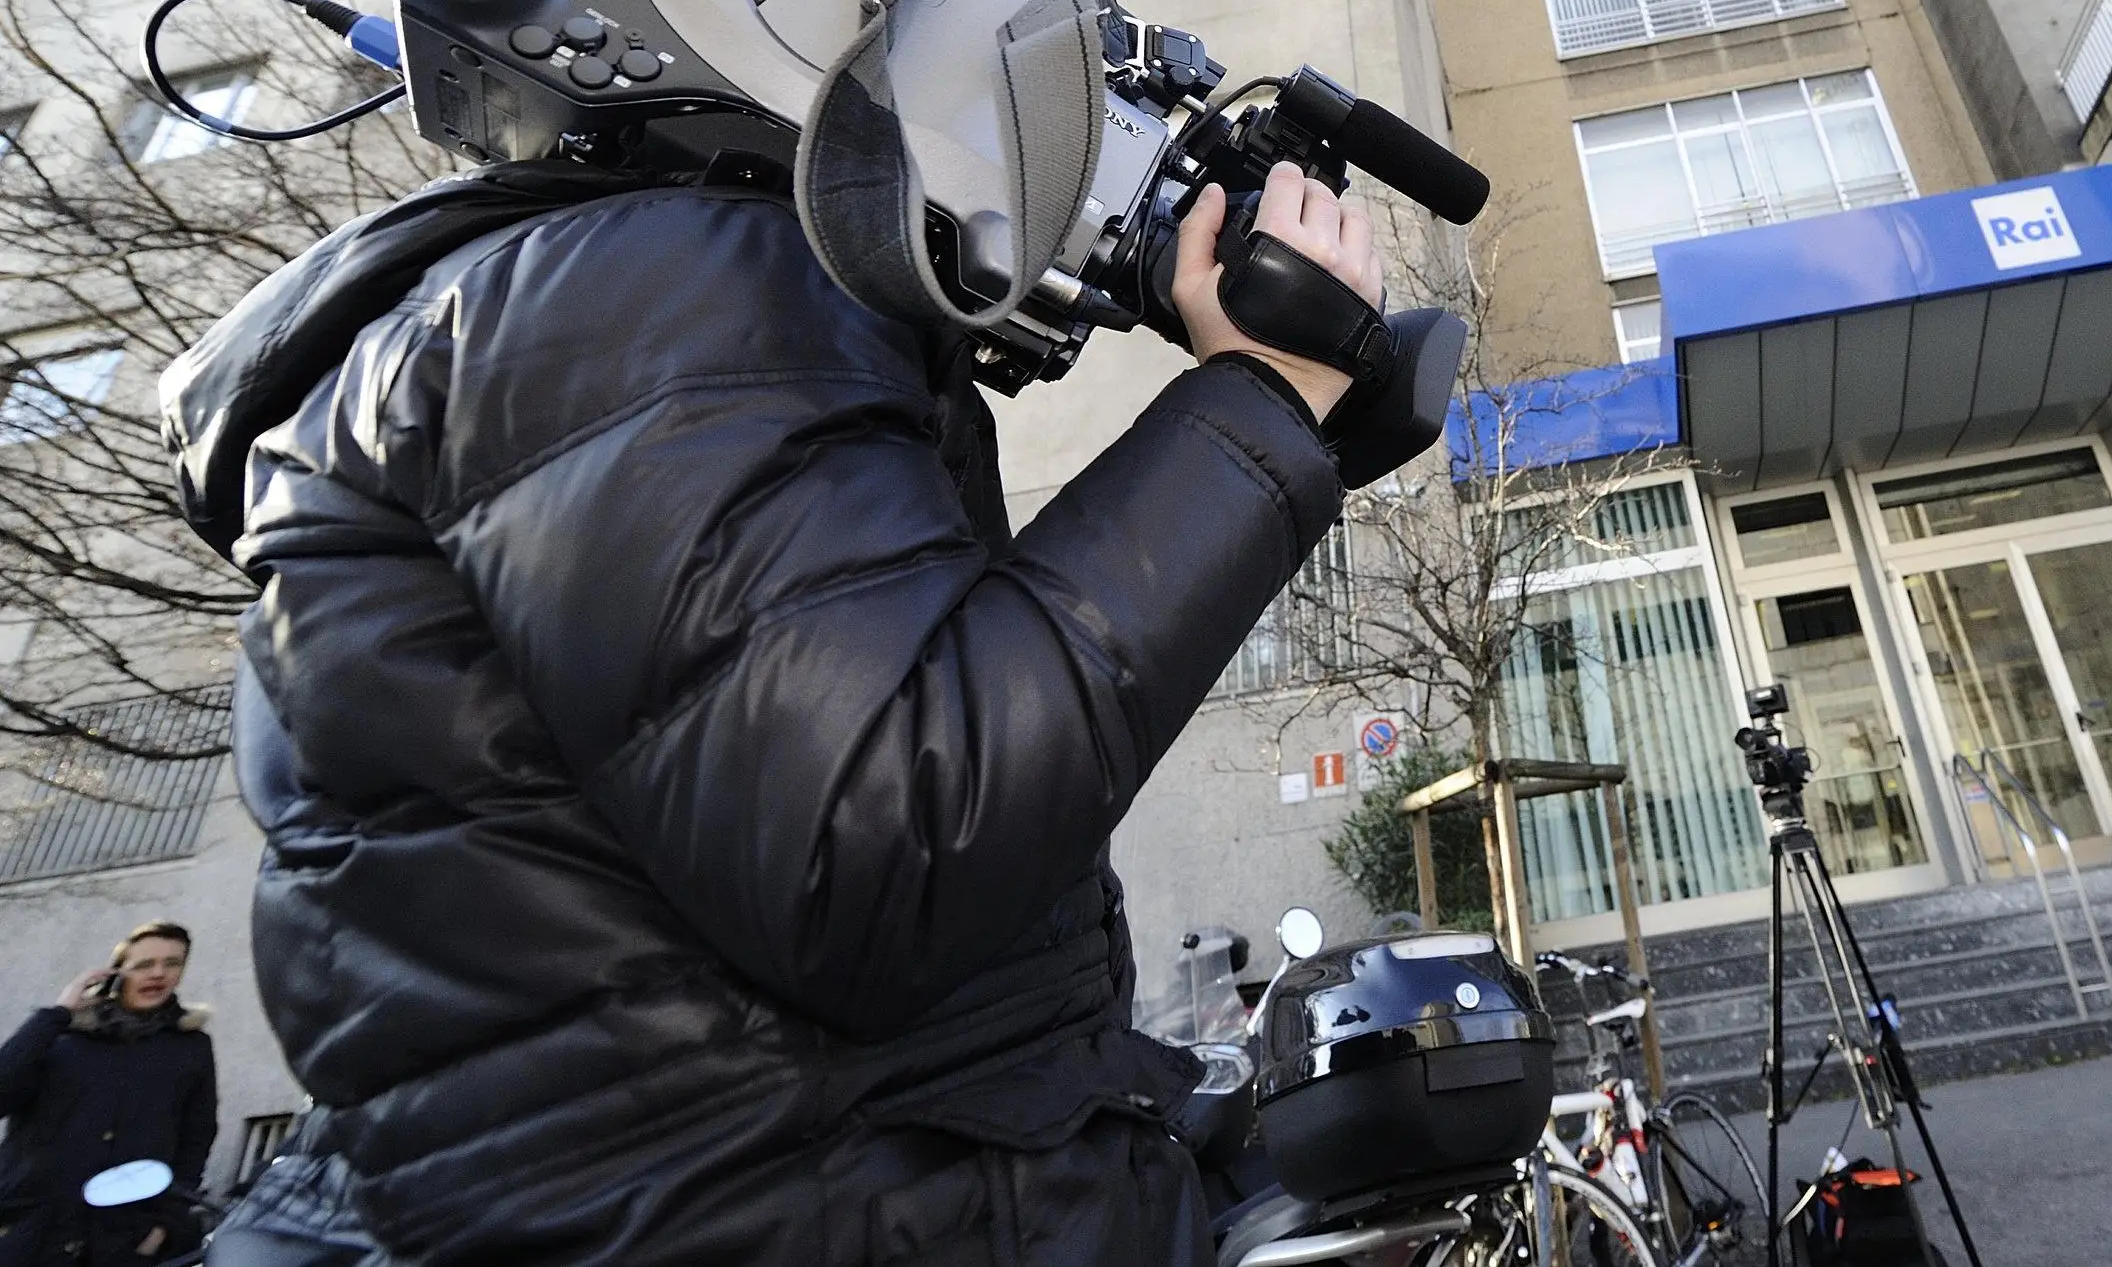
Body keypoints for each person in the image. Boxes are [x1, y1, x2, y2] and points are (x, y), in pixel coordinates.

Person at [159, 157, 1377, 1267]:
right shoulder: (655, 282)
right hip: (824, 1204)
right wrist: (1259, 399)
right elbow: (893, 834)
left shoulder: (580, 295)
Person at [0, 922, 217, 1267]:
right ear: (116, 973)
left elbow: (196, 1138)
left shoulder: (190, 1047)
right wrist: (57, 1014)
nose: (158, 973)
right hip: (31, 1233)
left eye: (172, 963)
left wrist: (162, 1229)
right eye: (144, 964)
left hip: (122, 1240)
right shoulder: (63, 1038)